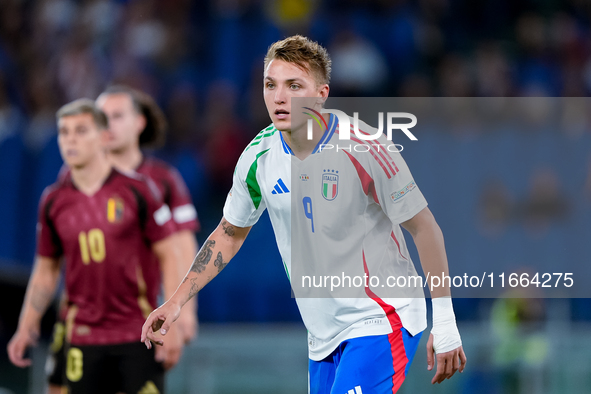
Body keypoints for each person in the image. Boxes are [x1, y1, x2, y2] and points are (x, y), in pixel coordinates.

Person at [141, 35, 467, 393]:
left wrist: (446, 321)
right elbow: (229, 234)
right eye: (270, 85)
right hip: (323, 337)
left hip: (382, 318)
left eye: (294, 86)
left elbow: (424, 228)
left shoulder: (365, 147)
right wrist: (174, 302)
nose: (279, 97)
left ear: (321, 94)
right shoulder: (257, 157)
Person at [7, 99, 183, 394]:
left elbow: (171, 255)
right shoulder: (53, 201)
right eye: (64, 132)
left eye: (80, 131)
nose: (70, 139)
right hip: (82, 337)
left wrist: (173, 323)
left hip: (136, 333)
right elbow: (46, 270)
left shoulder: (139, 191)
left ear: (104, 137)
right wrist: (27, 325)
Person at [45, 86, 201, 393]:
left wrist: (185, 315)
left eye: (117, 116)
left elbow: (182, 247)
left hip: (136, 322)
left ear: (139, 123)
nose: (110, 125)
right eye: (103, 118)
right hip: (79, 320)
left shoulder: (163, 180)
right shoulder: (72, 176)